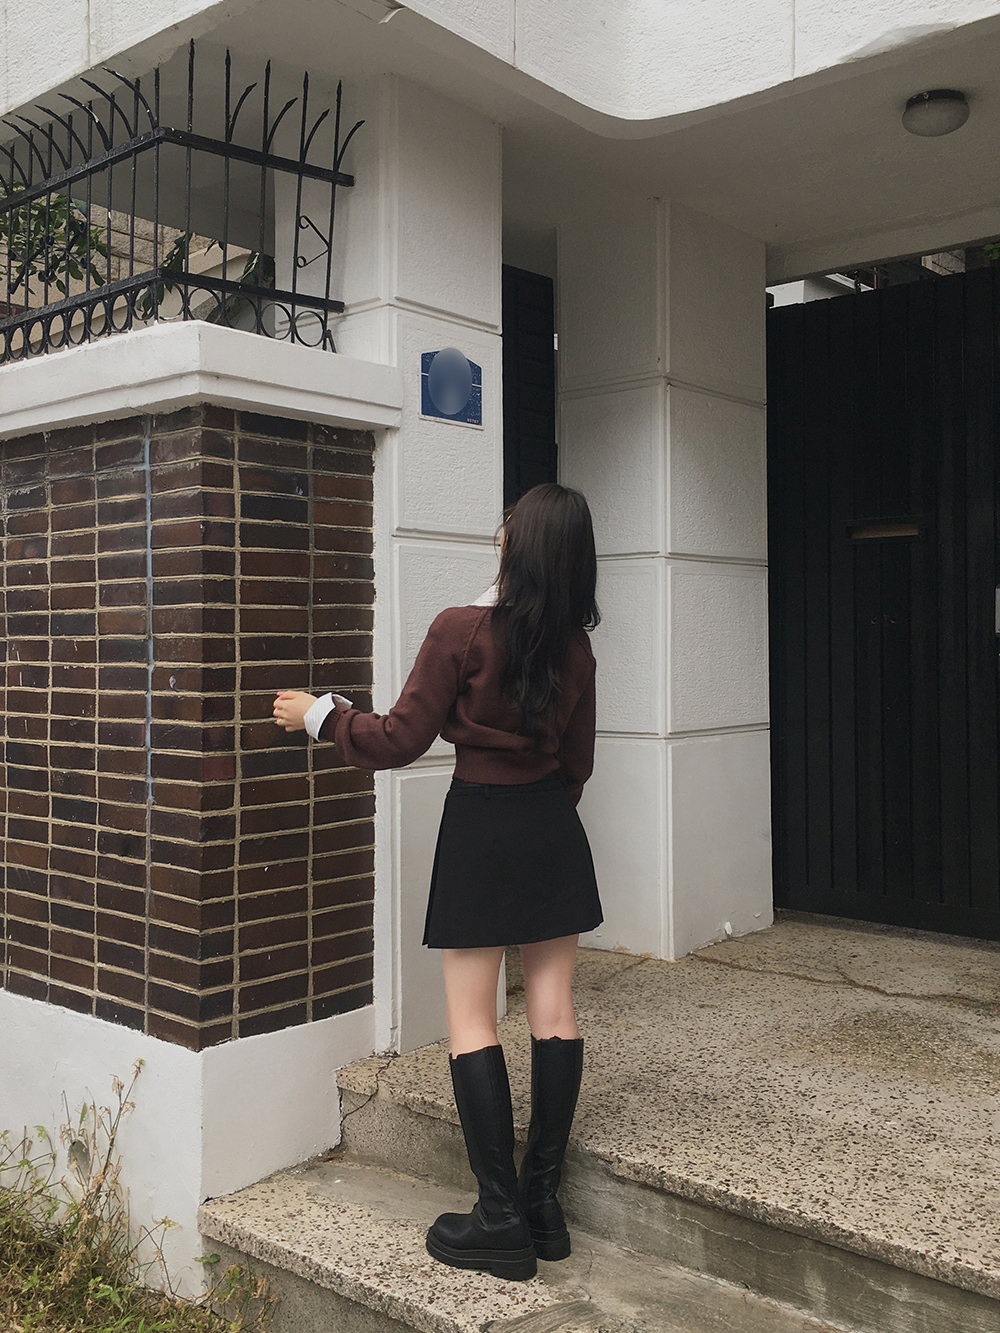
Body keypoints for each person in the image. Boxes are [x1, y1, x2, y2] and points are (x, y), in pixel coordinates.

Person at [272, 481, 603, 1283]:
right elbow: (578, 763)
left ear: (515, 544)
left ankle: (498, 1218)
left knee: (471, 1016)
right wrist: (540, 815)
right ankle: (543, 1205)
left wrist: (319, 714)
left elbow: (397, 737)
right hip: (552, 828)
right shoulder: (575, 648)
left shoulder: (461, 630)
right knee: (555, 1009)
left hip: (481, 827)